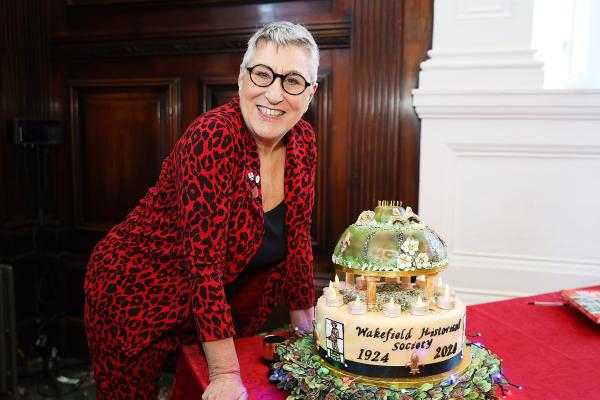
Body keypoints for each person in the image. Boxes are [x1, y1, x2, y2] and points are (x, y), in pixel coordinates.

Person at [84, 21, 319, 400]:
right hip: (135, 294)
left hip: (207, 311)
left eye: (293, 81)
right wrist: (224, 373)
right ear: (241, 79)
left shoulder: (304, 142)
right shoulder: (212, 137)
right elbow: (204, 264)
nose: (274, 94)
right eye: (262, 74)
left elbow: (298, 239)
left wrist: (308, 334)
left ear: (310, 94)